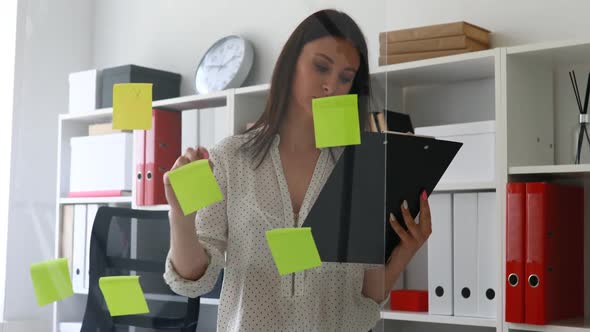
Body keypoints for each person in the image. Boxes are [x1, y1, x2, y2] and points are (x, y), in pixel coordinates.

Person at [163, 9, 432, 331]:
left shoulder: (359, 168)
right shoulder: (229, 158)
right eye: (321, 67)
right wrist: (180, 217)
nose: (331, 85)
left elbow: (367, 294)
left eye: (345, 77)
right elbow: (193, 283)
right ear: (289, 65)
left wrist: (405, 251)